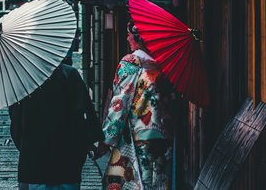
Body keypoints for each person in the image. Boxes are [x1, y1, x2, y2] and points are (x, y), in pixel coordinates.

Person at [98, 23, 176, 190]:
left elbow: (120, 102)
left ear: (139, 37)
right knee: (158, 181)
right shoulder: (162, 64)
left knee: (132, 181)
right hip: (163, 135)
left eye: (129, 34)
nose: (127, 38)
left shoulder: (131, 62)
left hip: (137, 134)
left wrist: (106, 138)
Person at [9, 60, 103, 190]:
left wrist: (25, 146)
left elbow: (16, 121)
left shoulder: (22, 79)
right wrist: (90, 141)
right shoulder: (70, 73)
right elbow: (84, 113)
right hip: (68, 153)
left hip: (34, 155)